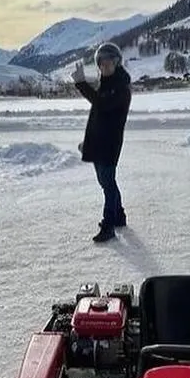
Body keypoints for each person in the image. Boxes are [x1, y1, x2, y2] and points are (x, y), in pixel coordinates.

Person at [72, 42, 132, 243]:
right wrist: (88, 143)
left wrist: (81, 84)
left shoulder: (120, 86)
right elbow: (99, 117)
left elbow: (102, 104)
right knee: (107, 182)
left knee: (107, 184)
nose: (105, 67)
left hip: (109, 144)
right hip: (100, 143)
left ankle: (109, 226)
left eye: (108, 63)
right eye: (101, 63)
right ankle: (119, 215)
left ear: (117, 63)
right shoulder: (107, 84)